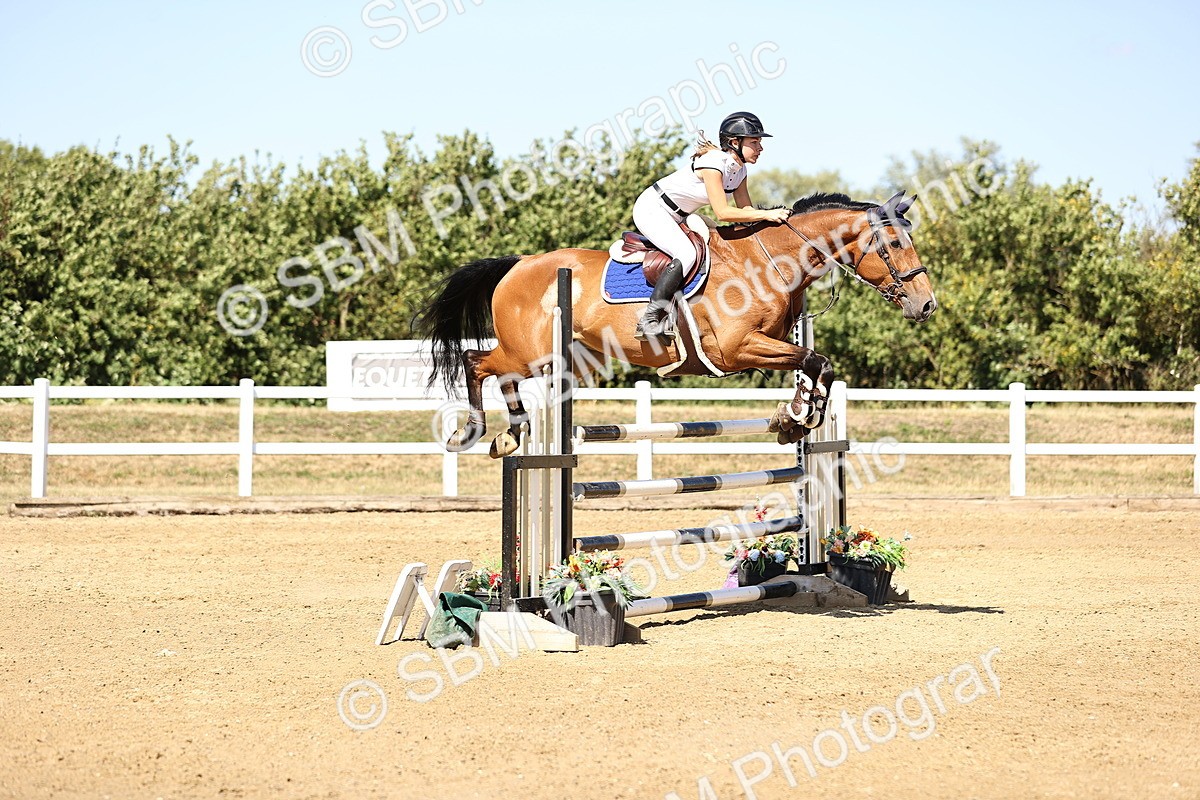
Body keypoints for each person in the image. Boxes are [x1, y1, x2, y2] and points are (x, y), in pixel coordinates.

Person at [632, 111, 791, 341]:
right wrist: (767, 213)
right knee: (686, 253)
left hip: (679, 215)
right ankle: (650, 318)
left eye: (760, 142)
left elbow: (745, 211)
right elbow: (724, 212)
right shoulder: (714, 163)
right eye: (754, 142)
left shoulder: (740, 170)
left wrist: (774, 225)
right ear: (734, 142)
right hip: (652, 209)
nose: (760, 148)